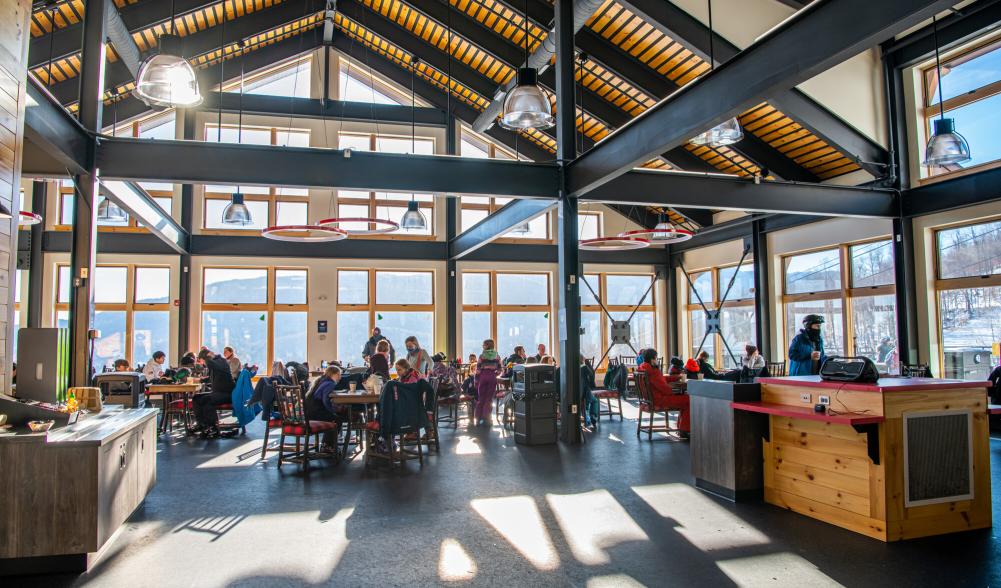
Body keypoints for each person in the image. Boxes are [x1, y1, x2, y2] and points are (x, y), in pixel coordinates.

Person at [637, 348, 690, 437]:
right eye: (656, 358)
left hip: (649, 400)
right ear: (652, 359)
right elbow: (665, 389)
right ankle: (684, 429)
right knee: (688, 399)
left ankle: (682, 428)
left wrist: (676, 377)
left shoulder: (644, 368)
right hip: (660, 400)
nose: (657, 360)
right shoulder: (653, 371)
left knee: (684, 398)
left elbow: (661, 379)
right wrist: (675, 392)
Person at [192, 349, 236, 438]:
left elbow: (213, 365)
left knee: (207, 400)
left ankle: (214, 428)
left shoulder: (221, 361)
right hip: (219, 392)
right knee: (196, 397)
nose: (204, 364)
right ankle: (202, 424)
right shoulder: (216, 363)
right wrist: (200, 380)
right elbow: (212, 377)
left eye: (203, 361)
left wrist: (208, 357)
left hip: (227, 393)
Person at [304, 365, 343, 451]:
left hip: (310, 412)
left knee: (333, 417)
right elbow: (326, 401)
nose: (340, 377)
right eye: (339, 374)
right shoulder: (330, 383)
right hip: (316, 413)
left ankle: (326, 444)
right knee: (337, 420)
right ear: (334, 374)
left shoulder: (321, 380)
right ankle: (327, 445)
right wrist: (333, 410)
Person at [475, 339, 503, 427]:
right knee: (489, 399)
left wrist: (476, 379)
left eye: (484, 345)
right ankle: (486, 418)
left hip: (483, 377)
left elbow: (478, 369)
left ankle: (478, 418)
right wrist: (495, 373)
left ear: (487, 345)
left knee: (481, 398)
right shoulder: (497, 356)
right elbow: (500, 369)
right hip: (492, 377)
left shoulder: (482, 356)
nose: (482, 346)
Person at [580, 354, 600, 429]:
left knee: (586, 401)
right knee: (594, 401)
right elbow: (591, 376)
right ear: (582, 360)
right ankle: (593, 417)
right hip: (583, 392)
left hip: (573, 394)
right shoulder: (584, 367)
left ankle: (585, 415)